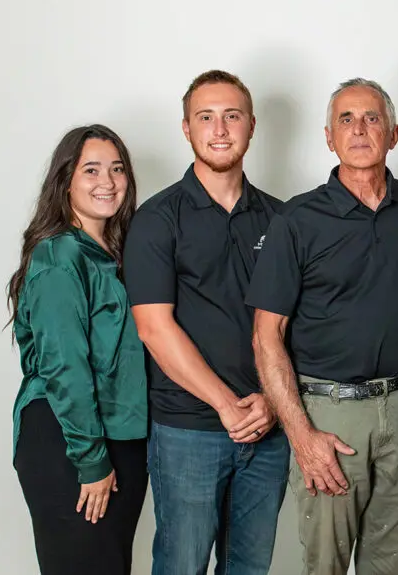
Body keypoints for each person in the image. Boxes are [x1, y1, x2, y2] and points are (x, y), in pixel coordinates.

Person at [248, 77, 398, 575]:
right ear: (328, 136)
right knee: (327, 565)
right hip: (329, 416)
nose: (360, 130)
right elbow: (266, 336)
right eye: (346, 119)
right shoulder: (297, 220)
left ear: (394, 133)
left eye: (372, 118)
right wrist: (301, 436)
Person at [122, 70, 290, 575]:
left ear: (252, 126)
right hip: (187, 431)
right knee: (182, 564)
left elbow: (292, 325)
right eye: (206, 117)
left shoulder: (283, 220)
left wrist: (270, 401)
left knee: (250, 566)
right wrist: (224, 404)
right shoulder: (157, 219)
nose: (220, 129)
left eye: (232, 116)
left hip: (268, 428)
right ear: (186, 128)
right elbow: (154, 328)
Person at [8, 124, 148, 575]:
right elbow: (64, 367)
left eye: (116, 169)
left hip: (122, 436)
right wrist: (90, 461)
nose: (107, 182)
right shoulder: (59, 257)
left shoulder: (118, 251)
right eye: (91, 170)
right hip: (70, 442)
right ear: (65, 180)